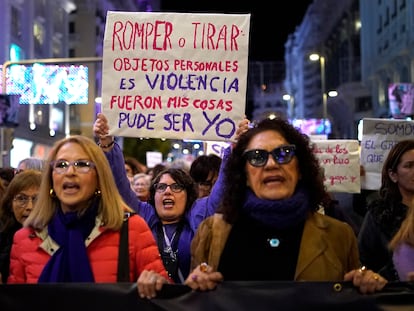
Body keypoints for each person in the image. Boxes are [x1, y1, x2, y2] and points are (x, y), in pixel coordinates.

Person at [183, 117, 387, 294]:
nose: (271, 164)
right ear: (244, 175)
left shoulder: (339, 235)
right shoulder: (212, 232)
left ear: (300, 168)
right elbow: (193, 298)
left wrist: (366, 284)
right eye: (257, 157)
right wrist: (196, 285)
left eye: (284, 153)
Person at [6, 135, 171, 299]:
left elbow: (165, 295)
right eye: (61, 165)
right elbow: (14, 302)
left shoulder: (131, 229)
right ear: (51, 178)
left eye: (82, 164)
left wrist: (156, 283)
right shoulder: (25, 238)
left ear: (99, 177)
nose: (70, 172)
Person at [93, 112, 240, 284]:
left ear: (188, 195)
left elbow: (222, 189)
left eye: (176, 187)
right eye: (161, 187)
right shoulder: (143, 214)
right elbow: (119, 184)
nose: (167, 192)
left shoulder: (199, 214)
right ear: (153, 195)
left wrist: (233, 150)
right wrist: (107, 144)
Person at [359, 139, 414, 281]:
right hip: (391, 297)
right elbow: (364, 261)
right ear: (393, 175)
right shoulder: (379, 215)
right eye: (409, 166)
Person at [0, 170, 42, 283]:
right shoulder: (3, 235)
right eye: (21, 199)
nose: (29, 207)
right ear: (10, 204)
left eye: (36, 199)